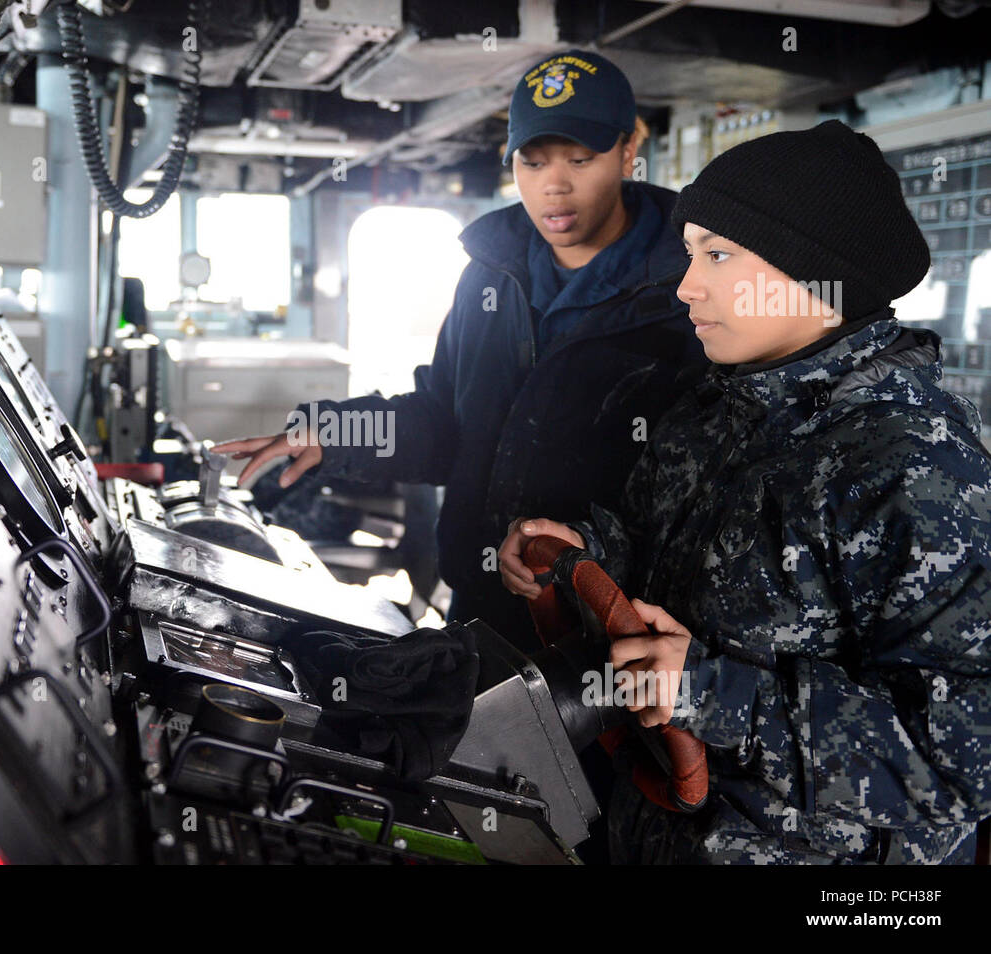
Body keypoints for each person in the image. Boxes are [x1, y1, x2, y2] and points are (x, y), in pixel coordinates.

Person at [499, 119, 991, 864]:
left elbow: (966, 758)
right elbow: (656, 557)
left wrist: (710, 693)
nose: (687, 285)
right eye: (692, 254)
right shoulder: (712, 409)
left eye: (719, 256)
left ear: (815, 272)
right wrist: (581, 554)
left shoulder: (914, 467)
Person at [215, 50, 708, 654]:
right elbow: (444, 423)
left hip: (622, 634)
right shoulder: (489, 276)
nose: (554, 185)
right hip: (482, 610)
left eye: (581, 159)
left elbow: (705, 490)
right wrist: (333, 432)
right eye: (532, 162)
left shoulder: (689, 287)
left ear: (630, 147)